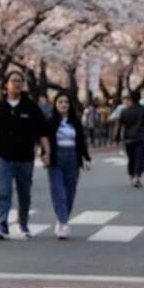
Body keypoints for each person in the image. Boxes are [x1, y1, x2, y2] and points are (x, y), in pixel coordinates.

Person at [0, 70, 50, 240]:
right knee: (3, 192)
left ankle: (23, 223)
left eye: (19, 81)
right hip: (2, 158)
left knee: (24, 193)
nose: (17, 84)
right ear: (6, 85)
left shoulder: (31, 107)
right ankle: (2, 224)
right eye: (13, 80)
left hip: (25, 158)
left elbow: (42, 132)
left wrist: (47, 151)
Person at [46, 91, 91, 239]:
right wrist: (44, 154)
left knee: (70, 192)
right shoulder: (50, 122)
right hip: (56, 158)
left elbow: (81, 141)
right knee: (58, 190)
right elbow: (44, 141)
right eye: (60, 102)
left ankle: (61, 220)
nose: (63, 104)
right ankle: (64, 223)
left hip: (73, 158)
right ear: (55, 104)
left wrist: (86, 157)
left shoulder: (75, 122)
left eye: (66, 102)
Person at [114, 90, 144, 189]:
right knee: (140, 158)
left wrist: (116, 138)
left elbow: (119, 125)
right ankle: (137, 176)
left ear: (131, 99)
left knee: (131, 158)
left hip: (129, 138)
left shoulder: (125, 111)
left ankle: (132, 175)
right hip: (142, 137)